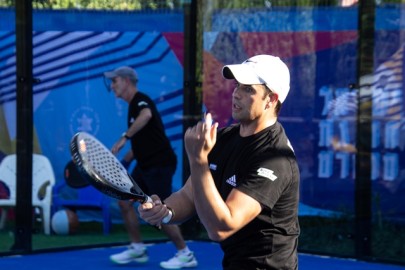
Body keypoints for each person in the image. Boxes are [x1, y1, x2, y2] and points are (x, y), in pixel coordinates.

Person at [138, 55, 300, 269]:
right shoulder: (223, 139)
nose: (236, 94)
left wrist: (198, 160)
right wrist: (166, 211)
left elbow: (221, 227)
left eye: (249, 89)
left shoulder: (275, 158)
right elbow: (190, 194)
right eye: (237, 86)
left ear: (271, 99)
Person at [103, 66, 198, 269]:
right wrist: (125, 162)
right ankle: (137, 248)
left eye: (115, 81)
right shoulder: (132, 107)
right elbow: (143, 142)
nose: (112, 86)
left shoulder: (140, 100)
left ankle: (185, 253)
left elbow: (145, 116)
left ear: (127, 81)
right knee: (124, 204)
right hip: (145, 164)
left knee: (159, 210)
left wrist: (124, 137)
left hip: (159, 164)